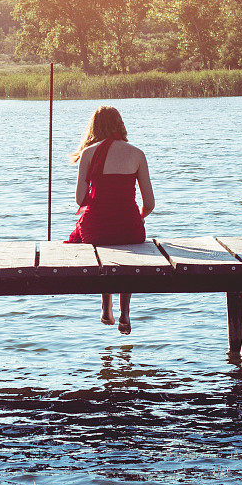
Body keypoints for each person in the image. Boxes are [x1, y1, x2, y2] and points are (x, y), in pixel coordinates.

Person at [66, 106, 155, 335]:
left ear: (95, 127)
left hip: (97, 229)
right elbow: (150, 203)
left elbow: (79, 199)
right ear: (120, 124)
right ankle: (125, 312)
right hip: (129, 227)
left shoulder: (88, 153)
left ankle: (107, 306)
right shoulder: (137, 154)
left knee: (103, 246)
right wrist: (136, 217)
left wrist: (101, 201)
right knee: (129, 251)